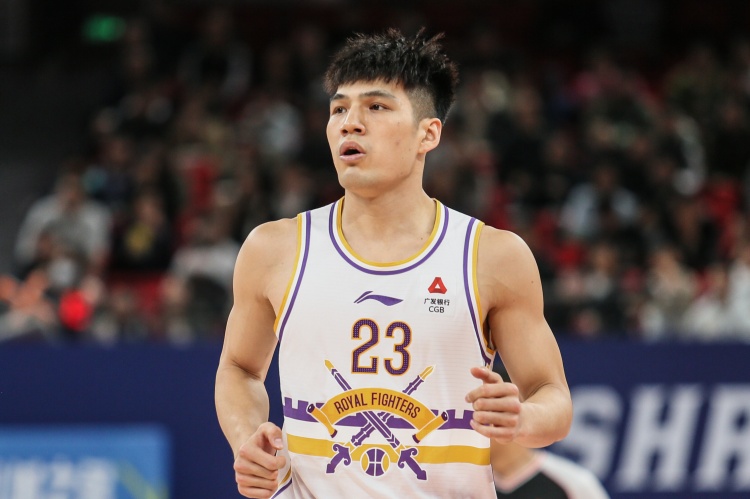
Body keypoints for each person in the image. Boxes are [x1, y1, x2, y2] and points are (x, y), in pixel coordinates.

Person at [215, 28, 572, 499]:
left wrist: (523, 418)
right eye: (339, 109)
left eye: (376, 107)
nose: (350, 123)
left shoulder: (491, 256)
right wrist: (247, 440)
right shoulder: (274, 249)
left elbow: (554, 399)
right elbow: (239, 368)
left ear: (428, 133)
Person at [490, 362, 609, 499]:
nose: (474, 423)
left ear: (516, 410)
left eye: (485, 410)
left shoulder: (574, 483)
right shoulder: (471, 483)